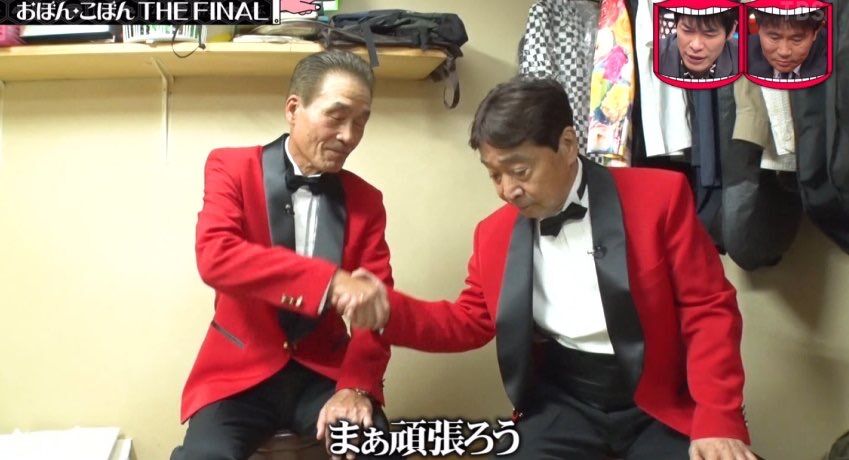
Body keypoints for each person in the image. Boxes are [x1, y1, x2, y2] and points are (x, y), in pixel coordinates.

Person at [347, 77, 756, 459]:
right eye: (494, 175)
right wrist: (389, 310)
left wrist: (718, 418)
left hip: (658, 402)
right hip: (564, 402)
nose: (508, 191)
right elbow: (469, 320)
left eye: (519, 171)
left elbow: (708, 310)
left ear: (567, 145)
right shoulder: (493, 234)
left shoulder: (659, 198)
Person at [172, 49, 397, 460]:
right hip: (238, 373)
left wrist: (356, 385)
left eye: (361, 121)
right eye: (336, 116)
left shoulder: (366, 199)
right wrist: (329, 281)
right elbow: (216, 256)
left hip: (326, 375)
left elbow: (375, 309)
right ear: (294, 109)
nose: (349, 135)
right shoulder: (230, 167)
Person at [658, 9, 738, 79]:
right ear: (676, 24)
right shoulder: (655, 56)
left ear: (731, 31)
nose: (696, 46)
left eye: (709, 34)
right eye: (687, 30)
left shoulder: (742, 59)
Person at [748, 10, 827, 79]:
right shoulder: (743, 53)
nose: (784, 52)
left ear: (815, 32)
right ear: (758, 28)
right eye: (774, 38)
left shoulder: (831, 62)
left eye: (796, 40)